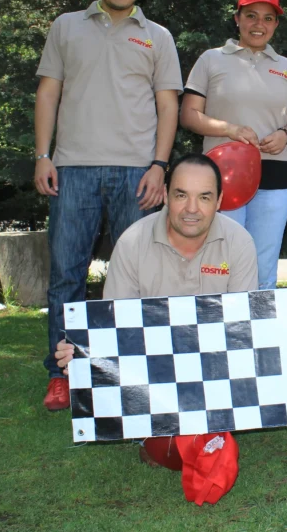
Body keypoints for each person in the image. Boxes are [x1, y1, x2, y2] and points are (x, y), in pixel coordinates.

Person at [35, 0, 183, 412]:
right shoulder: (66, 26)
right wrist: (42, 155)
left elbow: (168, 105)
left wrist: (159, 166)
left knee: (141, 274)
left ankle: (137, 370)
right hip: (72, 168)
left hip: (137, 171)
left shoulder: (158, 36)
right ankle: (64, 373)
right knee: (66, 276)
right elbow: (48, 92)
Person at [54, 153, 258, 466]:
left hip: (213, 366)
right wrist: (84, 352)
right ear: (165, 195)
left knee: (199, 443)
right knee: (173, 451)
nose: (192, 209)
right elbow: (116, 327)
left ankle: (197, 426)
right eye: (181, 195)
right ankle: (153, 430)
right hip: (152, 370)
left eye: (204, 197)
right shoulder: (132, 242)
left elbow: (243, 331)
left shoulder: (239, 242)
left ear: (219, 201)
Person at [180, 0, 287, 290]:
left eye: (268, 18)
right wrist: (229, 129)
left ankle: (260, 323)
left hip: (275, 176)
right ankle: (218, 321)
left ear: (276, 24)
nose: (259, 24)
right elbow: (189, 115)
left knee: (263, 270)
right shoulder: (211, 59)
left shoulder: (286, 67)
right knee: (219, 266)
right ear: (237, 19)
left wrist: (285, 135)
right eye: (251, 16)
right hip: (223, 177)